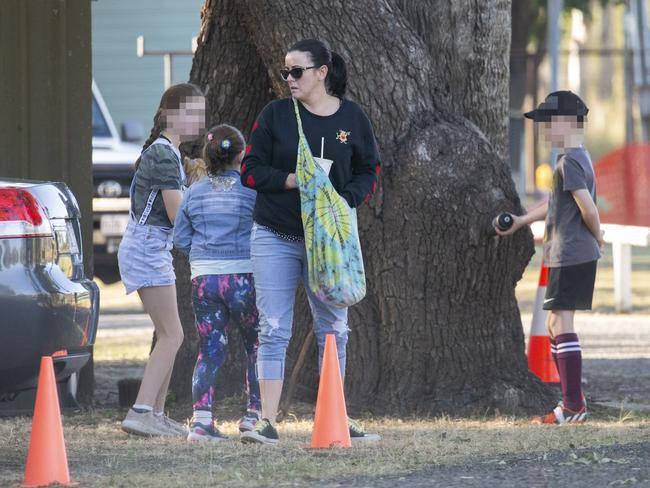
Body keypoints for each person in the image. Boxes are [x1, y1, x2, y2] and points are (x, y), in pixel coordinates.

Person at [239, 39, 381, 444]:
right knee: (273, 327)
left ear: (322, 72)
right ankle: (266, 420)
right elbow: (249, 170)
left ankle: (336, 416)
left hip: (329, 241)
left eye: (297, 71)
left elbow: (369, 170)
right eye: (286, 72)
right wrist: (289, 180)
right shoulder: (275, 115)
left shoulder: (353, 118)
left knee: (335, 327)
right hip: (274, 235)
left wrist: (345, 198)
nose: (289, 79)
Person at [496, 90, 604, 424]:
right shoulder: (573, 158)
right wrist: (521, 221)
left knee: (560, 323)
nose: (545, 130)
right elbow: (557, 202)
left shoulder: (569, 161)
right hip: (567, 252)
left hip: (571, 253)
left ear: (569, 122)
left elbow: (587, 207)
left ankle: (573, 405)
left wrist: (597, 235)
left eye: (549, 122)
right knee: (557, 324)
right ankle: (572, 402)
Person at [118, 83, 206, 436]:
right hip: (147, 249)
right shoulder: (164, 154)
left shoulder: (168, 153)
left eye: (201, 113)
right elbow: (176, 213)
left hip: (154, 248)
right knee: (172, 335)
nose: (198, 119)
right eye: (191, 112)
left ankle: (155, 413)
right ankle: (141, 411)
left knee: (169, 333)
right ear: (170, 113)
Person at [174, 125, 261, 442]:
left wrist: (201, 257)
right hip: (243, 277)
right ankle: (253, 415)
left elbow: (181, 239)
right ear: (242, 155)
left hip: (204, 280)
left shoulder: (193, 192)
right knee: (256, 345)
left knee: (209, 350)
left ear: (207, 157)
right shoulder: (251, 191)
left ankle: (201, 421)